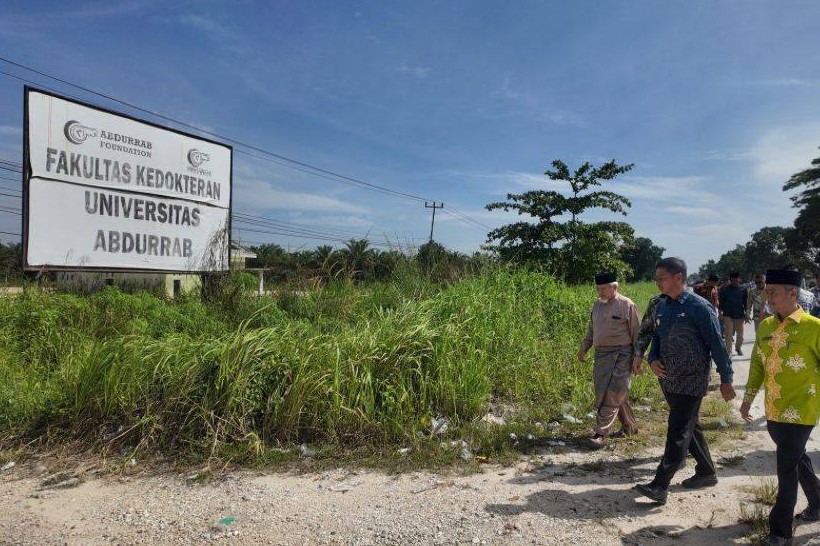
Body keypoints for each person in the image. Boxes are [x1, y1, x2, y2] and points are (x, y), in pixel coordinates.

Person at [634, 257, 735, 505]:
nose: (657, 282)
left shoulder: (699, 307)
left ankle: (660, 485)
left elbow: (717, 344)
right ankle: (707, 471)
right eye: (657, 278)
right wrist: (652, 358)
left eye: (662, 278)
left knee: (678, 429)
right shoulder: (663, 305)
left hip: (692, 378)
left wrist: (726, 378)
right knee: (689, 424)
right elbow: (657, 336)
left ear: (679, 278)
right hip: (668, 377)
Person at [740, 268, 820, 546]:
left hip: (803, 409)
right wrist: (748, 399)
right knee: (796, 457)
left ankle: (779, 530)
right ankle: (818, 503)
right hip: (774, 408)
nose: (768, 297)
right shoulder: (765, 327)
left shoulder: (814, 327)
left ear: (793, 293)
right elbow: (757, 367)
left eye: (773, 292)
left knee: (786, 465)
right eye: (766, 292)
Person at [577, 272, 641, 449]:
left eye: (604, 288)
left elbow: (637, 333)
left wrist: (638, 356)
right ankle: (630, 426)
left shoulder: (627, 304)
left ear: (615, 287)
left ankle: (600, 433)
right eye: (598, 289)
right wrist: (584, 348)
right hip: (601, 356)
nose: (600, 292)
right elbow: (592, 330)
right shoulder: (597, 305)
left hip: (623, 354)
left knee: (613, 393)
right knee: (611, 393)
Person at [632, 293, 663, 375]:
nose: (659, 283)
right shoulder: (656, 301)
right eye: (658, 280)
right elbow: (646, 330)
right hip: (663, 363)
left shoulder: (692, 300)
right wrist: (639, 354)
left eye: (663, 279)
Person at [719, 272, 748, 356]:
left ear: (739, 279)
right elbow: (721, 302)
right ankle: (729, 352)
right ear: (730, 280)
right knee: (728, 334)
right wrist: (720, 312)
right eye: (732, 280)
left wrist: (747, 314)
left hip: (739, 315)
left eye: (736, 280)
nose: (734, 281)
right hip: (728, 314)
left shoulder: (743, 289)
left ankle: (738, 348)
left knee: (740, 335)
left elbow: (746, 303)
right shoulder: (724, 289)